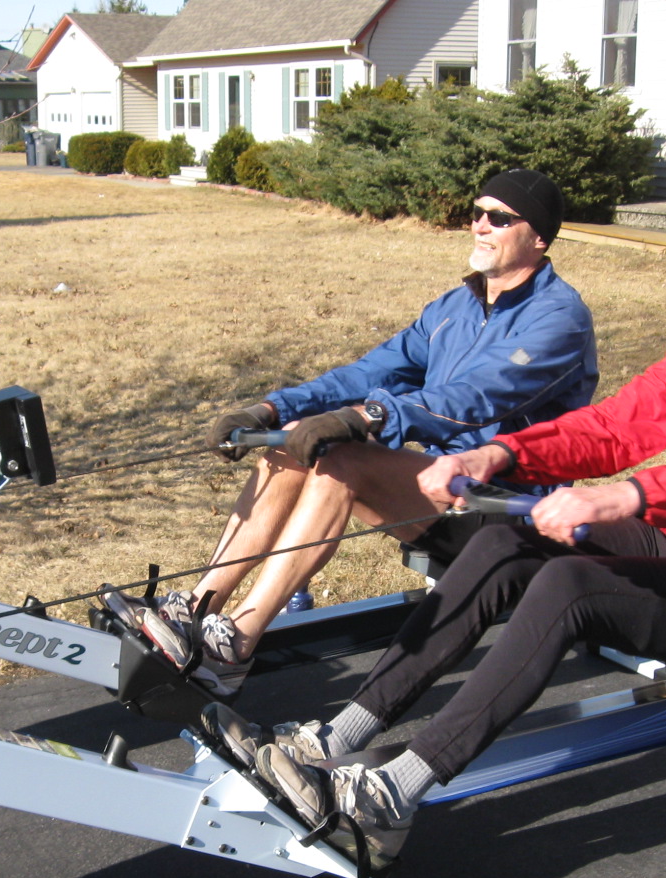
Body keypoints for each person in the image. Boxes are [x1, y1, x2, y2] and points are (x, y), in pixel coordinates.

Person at [214, 168, 666, 869]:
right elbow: (615, 425)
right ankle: (339, 737)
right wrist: (501, 452)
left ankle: (391, 797)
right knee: (512, 536)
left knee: (571, 585)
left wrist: (626, 496)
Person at [107, 169, 598, 695]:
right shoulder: (454, 309)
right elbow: (371, 372)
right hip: (441, 490)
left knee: (344, 461)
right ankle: (196, 609)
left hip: (506, 509)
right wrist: (273, 408)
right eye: (476, 213)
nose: (480, 225)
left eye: (498, 218)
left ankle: (235, 647)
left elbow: (477, 396)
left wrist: (370, 418)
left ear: (539, 237)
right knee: (296, 441)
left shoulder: (558, 320)